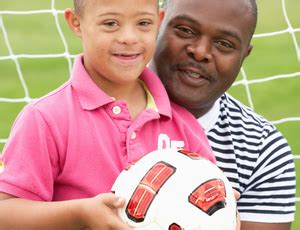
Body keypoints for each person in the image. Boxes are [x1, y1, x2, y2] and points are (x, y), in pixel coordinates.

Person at [0, 0, 215, 229]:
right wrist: (79, 213)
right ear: (76, 23)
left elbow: (212, 203)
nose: (129, 37)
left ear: (159, 22)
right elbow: (5, 212)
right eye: (111, 23)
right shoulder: (45, 119)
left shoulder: (182, 123)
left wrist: (218, 205)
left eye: (143, 23)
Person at [150, 0, 296, 230]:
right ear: (156, 24)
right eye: (185, 30)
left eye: (224, 43)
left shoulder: (262, 148)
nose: (200, 52)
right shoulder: (85, 114)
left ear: (244, 55)